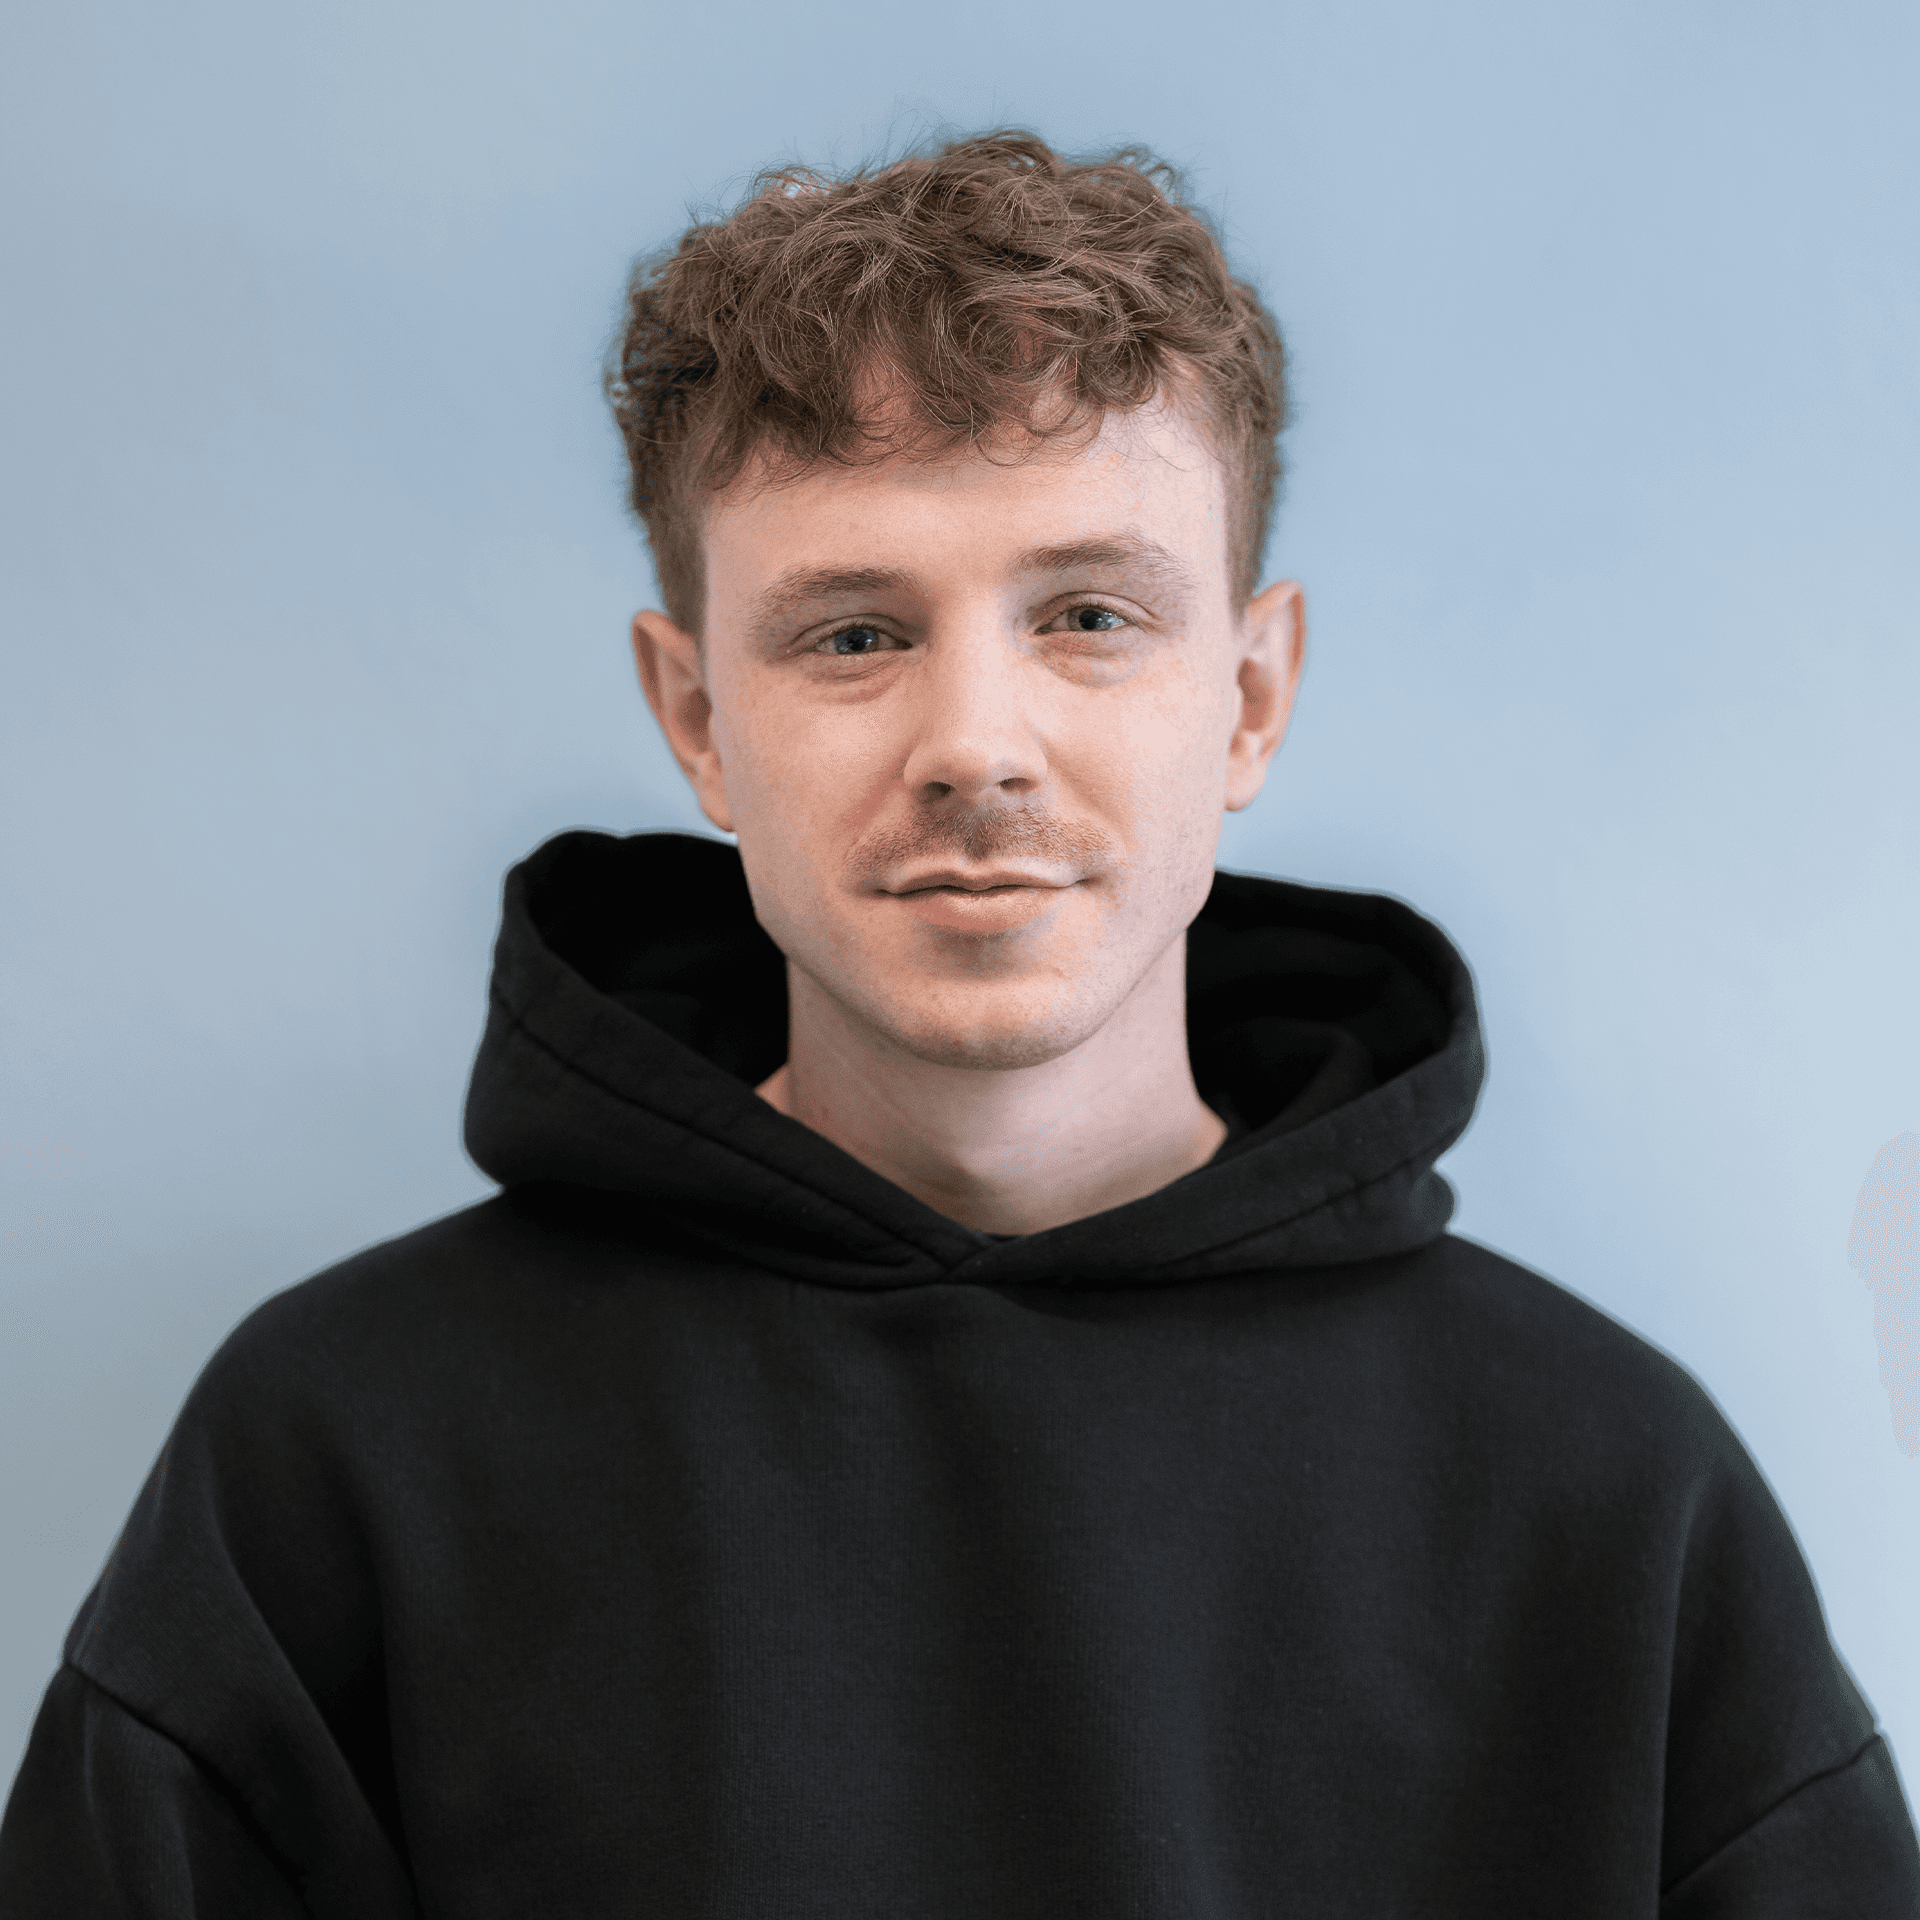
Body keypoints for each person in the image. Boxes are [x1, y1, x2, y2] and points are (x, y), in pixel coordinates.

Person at [1, 129, 1914, 1918]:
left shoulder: (1609, 1495)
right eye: (853, 634)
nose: (975, 746)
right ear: (695, 720)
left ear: (1248, 696)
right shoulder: (337, 1459)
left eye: (1087, 614)